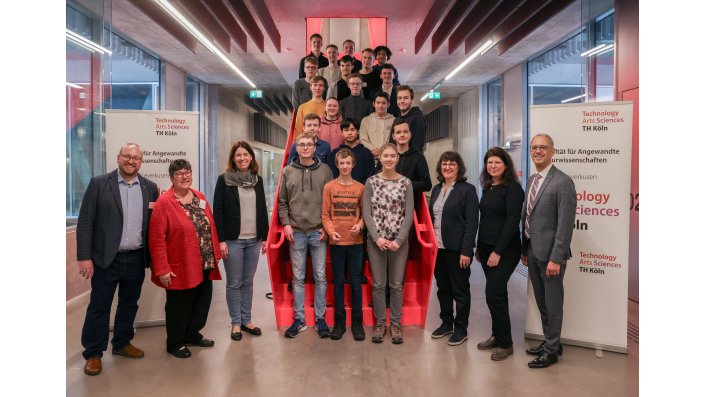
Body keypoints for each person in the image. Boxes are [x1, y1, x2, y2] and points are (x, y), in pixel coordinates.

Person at [76, 143, 159, 376]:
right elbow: (85, 222)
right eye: (127, 156)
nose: (131, 161)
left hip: (135, 257)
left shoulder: (149, 187)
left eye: (136, 158)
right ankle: (93, 353)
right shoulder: (99, 184)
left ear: (141, 161)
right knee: (99, 306)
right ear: (118, 157)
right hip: (105, 259)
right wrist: (84, 256)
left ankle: (122, 343)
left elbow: (152, 225)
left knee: (129, 303)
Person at [149, 159, 222, 359]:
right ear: (172, 177)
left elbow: (210, 224)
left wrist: (215, 252)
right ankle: (175, 342)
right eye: (179, 173)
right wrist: (162, 268)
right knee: (179, 306)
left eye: (187, 172)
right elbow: (156, 239)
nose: (185, 176)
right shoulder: (164, 203)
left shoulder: (199, 196)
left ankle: (192, 334)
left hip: (204, 262)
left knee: (201, 302)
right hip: (180, 264)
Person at [522, 134, 577, 369]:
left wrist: (556, 258)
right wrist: (525, 249)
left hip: (551, 256)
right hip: (533, 251)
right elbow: (528, 216)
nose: (537, 151)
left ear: (553, 151)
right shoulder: (532, 179)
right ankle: (550, 341)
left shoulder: (563, 182)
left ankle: (552, 351)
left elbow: (565, 224)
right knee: (543, 302)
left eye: (543, 148)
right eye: (534, 147)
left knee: (553, 304)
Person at [279, 132, 334, 338]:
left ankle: (320, 319)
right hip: (297, 233)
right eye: (301, 144)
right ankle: (299, 320)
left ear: (314, 147)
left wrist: (326, 227)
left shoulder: (326, 170)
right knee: (298, 278)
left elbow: (330, 201)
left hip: (318, 231)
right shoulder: (287, 171)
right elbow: (283, 202)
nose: (304, 148)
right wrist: (286, 224)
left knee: (320, 276)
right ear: (297, 148)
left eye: (308, 144)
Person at [213, 142, 269, 342]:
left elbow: (262, 208)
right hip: (233, 240)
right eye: (239, 155)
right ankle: (236, 322)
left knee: (248, 282)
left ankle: (247, 320)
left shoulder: (257, 180)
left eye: (246, 154)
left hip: (254, 240)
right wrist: (220, 240)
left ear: (251, 157)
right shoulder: (224, 180)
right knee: (234, 283)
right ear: (233, 159)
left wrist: (265, 236)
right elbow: (217, 211)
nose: (242, 158)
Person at [475, 147, 525, 360]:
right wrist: (480, 246)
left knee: (493, 293)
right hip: (486, 248)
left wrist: (497, 252)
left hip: (505, 250)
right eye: (489, 162)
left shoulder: (513, 188)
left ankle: (506, 344)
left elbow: (512, 223)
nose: (493, 166)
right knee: (499, 294)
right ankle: (497, 335)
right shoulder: (489, 186)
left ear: (506, 165)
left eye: (497, 162)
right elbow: (485, 220)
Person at [363, 143, 414, 345]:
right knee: (378, 284)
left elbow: (409, 213)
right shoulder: (371, 182)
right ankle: (380, 324)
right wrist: (377, 238)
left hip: (398, 243)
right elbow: (367, 212)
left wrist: (399, 240)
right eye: (385, 155)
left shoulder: (406, 183)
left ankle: (395, 323)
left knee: (396, 285)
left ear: (397, 158)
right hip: (376, 241)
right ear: (380, 158)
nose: (389, 159)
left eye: (392, 156)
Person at [428, 151, 479, 347]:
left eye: (452, 164)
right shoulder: (436, 189)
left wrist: (467, 250)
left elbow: (471, 222)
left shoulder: (467, 190)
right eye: (444, 164)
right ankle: (446, 323)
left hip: (457, 250)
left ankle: (461, 328)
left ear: (459, 167)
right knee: (443, 288)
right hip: (438, 248)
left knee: (460, 291)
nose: (447, 167)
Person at [322, 149, 366, 341]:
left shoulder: (361, 188)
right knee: (338, 282)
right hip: (337, 242)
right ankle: (339, 323)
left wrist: (360, 225)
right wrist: (331, 231)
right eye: (342, 163)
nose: (345, 166)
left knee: (356, 283)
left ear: (353, 164)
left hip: (356, 242)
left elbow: (365, 214)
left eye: (348, 163)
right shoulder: (329, 187)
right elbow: (325, 214)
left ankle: (357, 323)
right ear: (337, 165)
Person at [390, 118, 432, 195]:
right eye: (398, 132)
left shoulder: (418, 157)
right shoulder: (387, 156)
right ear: (393, 136)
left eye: (405, 132)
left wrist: (404, 184)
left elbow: (427, 184)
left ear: (410, 134)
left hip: (411, 205)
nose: (402, 135)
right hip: (388, 203)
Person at [327, 118, 375, 184]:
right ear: (342, 133)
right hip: (338, 192)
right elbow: (331, 175)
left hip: (361, 191)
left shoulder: (366, 153)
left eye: (352, 130)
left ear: (358, 131)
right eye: (346, 130)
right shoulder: (335, 153)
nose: (349, 133)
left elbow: (370, 177)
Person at [360, 92, 395, 160]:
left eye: (383, 103)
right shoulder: (366, 120)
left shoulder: (394, 121)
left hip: (388, 157)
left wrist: (384, 151)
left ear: (388, 104)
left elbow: (394, 139)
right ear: (373, 104)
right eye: (378, 102)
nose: (380, 105)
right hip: (369, 156)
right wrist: (373, 149)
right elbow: (363, 139)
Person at [391, 86, 426, 152]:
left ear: (412, 100)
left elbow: (417, 145)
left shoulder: (418, 118)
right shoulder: (396, 120)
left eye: (405, 98)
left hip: (412, 160)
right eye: (399, 98)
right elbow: (392, 143)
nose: (402, 101)